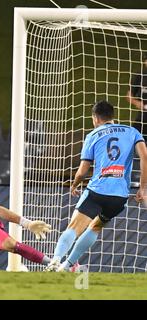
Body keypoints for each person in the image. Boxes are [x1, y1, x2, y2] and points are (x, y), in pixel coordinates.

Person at [45, 100, 147, 272]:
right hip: (119, 196)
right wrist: (143, 187)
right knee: (96, 227)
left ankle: (55, 260)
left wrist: (75, 184)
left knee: (74, 228)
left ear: (95, 118)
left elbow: (82, 171)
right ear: (112, 116)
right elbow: (144, 157)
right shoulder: (132, 132)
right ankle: (67, 266)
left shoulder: (93, 135)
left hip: (97, 190)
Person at [127, 52, 147, 140]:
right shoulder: (140, 76)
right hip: (143, 117)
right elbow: (129, 96)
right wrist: (138, 103)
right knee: (134, 138)